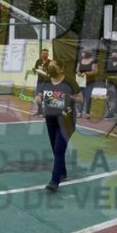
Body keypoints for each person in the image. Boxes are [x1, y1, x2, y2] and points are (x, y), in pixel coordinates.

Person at [35, 61, 82, 193]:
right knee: (56, 150)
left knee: (58, 150)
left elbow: (81, 99)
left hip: (66, 121)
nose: (51, 68)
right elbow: (40, 94)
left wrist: (69, 98)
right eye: (50, 66)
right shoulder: (47, 80)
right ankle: (63, 173)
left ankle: (54, 181)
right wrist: (38, 98)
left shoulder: (70, 81)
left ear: (62, 68)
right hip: (50, 119)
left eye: (54, 66)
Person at [74, 49, 98, 118]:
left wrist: (86, 73)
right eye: (82, 52)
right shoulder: (80, 60)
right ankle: (79, 112)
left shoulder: (93, 60)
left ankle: (87, 112)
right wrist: (78, 72)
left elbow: (95, 71)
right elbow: (77, 69)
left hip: (90, 82)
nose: (82, 54)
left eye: (83, 53)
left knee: (88, 97)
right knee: (80, 96)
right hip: (81, 81)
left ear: (87, 53)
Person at [31, 48, 50, 116]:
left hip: (47, 82)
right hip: (39, 82)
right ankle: (40, 111)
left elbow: (50, 73)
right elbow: (35, 70)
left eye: (46, 53)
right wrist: (34, 70)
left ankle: (46, 112)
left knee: (46, 97)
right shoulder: (38, 61)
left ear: (48, 54)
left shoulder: (50, 62)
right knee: (37, 97)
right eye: (43, 53)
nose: (44, 55)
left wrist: (44, 69)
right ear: (41, 54)